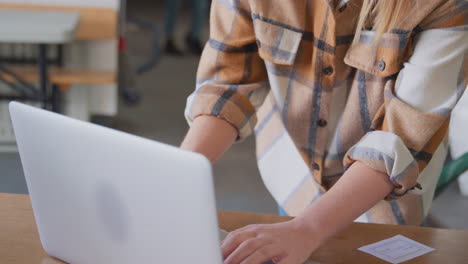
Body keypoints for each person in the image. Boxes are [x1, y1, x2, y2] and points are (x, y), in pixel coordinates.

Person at [181, 0, 467, 263]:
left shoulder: (443, 4)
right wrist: (176, 181)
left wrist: (307, 228)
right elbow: (228, 84)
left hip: (384, 199)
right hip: (294, 176)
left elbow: (401, 138)